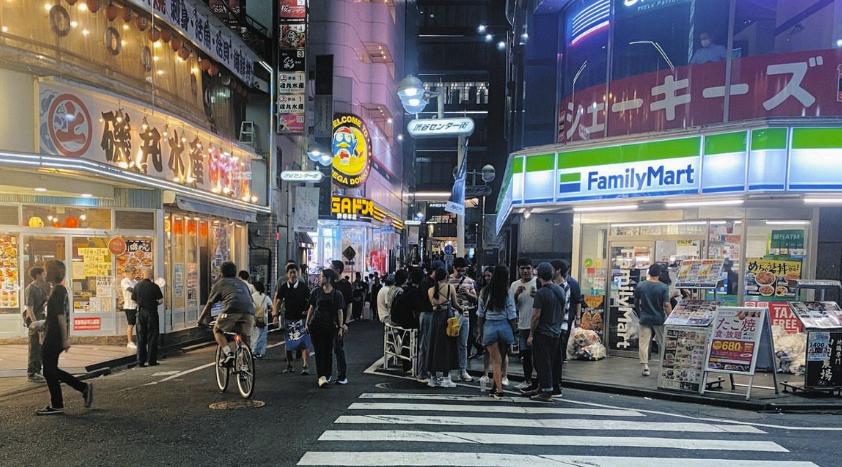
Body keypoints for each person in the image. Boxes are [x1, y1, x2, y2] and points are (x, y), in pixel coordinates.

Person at [37, 260, 93, 415]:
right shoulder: (59, 290)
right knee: (50, 369)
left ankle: (59, 403)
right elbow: (58, 316)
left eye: (45, 270)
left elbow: (61, 316)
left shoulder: (57, 291)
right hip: (54, 335)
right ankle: (81, 389)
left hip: (54, 337)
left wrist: (65, 338)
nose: (43, 273)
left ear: (50, 273)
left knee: (48, 369)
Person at [198, 261, 256, 366]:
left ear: (221, 273)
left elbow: (209, 304)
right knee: (245, 336)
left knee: (217, 329)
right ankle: (245, 363)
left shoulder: (220, 283)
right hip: (249, 313)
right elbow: (250, 301)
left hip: (231, 312)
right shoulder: (242, 283)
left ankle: (228, 353)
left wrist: (201, 320)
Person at [525, 262, 566, 402]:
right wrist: (558, 326)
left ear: (539, 276)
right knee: (550, 361)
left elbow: (536, 315)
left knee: (542, 362)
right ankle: (543, 387)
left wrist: (531, 334)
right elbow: (563, 312)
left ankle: (546, 391)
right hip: (555, 331)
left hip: (543, 332)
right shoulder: (560, 290)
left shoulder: (541, 293)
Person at [476, 264, 517, 399]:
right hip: (505, 326)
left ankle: (499, 390)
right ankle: (495, 387)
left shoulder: (484, 292)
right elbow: (512, 314)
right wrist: (514, 330)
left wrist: (480, 331)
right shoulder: (507, 292)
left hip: (489, 326)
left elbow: (480, 314)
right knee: (500, 359)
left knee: (495, 361)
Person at [305, 268, 345, 388]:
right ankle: (321, 376)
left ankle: (327, 375)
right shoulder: (316, 292)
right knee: (319, 351)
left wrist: (341, 327)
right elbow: (311, 308)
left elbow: (339, 312)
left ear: (328, 279)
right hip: (316, 325)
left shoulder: (337, 294)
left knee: (328, 351)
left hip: (330, 326)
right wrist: (307, 323)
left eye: (322, 276)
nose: (319, 278)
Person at [426, 267, 461, 388]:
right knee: (447, 347)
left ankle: (433, 377)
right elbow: (456, 305)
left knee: (433, 346)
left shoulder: (430, 290)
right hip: (447, 318)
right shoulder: (450, 288)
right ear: (446, 277)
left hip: (435, 319)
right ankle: (446, 378)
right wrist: (462, 309)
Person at [634, 264, 672, 376]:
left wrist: (640, 313)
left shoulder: (640, 285)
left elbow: (636, 302)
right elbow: (667, 304)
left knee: (644, 342)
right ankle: (662, 365)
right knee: (662, 342)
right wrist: (671, 317)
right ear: (659, 273)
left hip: (645, 318)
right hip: (659, 318)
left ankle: (645, 366)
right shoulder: (663, 287)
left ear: (649, 272)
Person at [274, 263, 312, 374]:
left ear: (297, 273)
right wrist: (275, 315)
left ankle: (305, 366)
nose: (292, 274)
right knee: (288, 342)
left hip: (302, 318)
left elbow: (310, 301)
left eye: (294, 272)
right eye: (290, 272)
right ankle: (289, 365)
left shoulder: (303, 286)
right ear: (287, 274)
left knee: (305, 342)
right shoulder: (284, 287)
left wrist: (308, 311)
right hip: (289, 318)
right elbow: (278, 301)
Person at [551, 260, 579, 397]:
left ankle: (556, 386)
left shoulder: (564, 287)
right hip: (555, 326)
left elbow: (564, 309)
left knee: (556, 357)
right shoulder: (555, 285)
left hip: (559, 326)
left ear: (557, 270)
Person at [510, 257, 537, 391]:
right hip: (523, 324)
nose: (525, 271)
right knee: (525, 355)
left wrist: (537, 296)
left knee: (537, 355)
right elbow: (511, 306)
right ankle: (527, 380)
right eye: (522, 268)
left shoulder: (538, 282)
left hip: (537, 325)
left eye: (528, 268)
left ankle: (538, 382)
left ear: (533, 269)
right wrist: (516, 294)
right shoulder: (515, 285)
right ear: (518, 270)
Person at [449, 257, 477, 382]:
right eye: (459, 270)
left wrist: (467, 293)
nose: (461, 273)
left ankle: (463, 370)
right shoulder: (448, 280)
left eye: (463, 271)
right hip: (451, 316)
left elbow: (475, 299)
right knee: (449, 343)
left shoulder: (469, 281)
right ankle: (447, 371)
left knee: (463, 344)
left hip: (465, 316)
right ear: (454, 268)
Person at [416, 260, 444, 383]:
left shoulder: (433, 282)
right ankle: (422, 373)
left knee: (432, 344)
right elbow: (432, 300)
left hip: (433, 314)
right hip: (427, 313)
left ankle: (429, 373)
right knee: (425, 344)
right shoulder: (426, 283)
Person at [132, 267, 164, 367]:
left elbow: (133, 301)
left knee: (141, 337)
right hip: (152, 313)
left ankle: (140, 361)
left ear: (143, 275)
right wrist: (154, 303)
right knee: (152, 336)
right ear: (151, 275)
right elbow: (160, 300)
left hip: (141, 313)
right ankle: (151, 360)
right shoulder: (154, 286)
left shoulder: (137, 286)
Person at [24, 267, 49, 383]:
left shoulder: (40, 288)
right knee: (34, 348)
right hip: (35, 324)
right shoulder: (31, 289)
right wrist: (36, 326)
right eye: (43, 273)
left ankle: (38, 371)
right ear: (37, 275)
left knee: (40, 348)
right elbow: (29, 309)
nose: (44, 275)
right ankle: (32, 373)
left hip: (42, 320)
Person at [330, 260, 353, 385]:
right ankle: (326, 374)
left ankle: (342, 375)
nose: (330, 270)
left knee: (338, 348)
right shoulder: (329, 283)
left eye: (331, 268)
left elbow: (349, 304)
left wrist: (346, 322)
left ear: (337, 270)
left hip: (340, 321)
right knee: (327, 348)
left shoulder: (345, 285)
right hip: (328, 320)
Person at [250, 281, 271, 358]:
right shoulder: (265, 297)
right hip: (263, 319)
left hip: (253, 319)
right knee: (262, 336)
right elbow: (271, 307)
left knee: (254, 335)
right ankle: (260, 352)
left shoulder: (251, 297)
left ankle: (253, 351)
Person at [120, 267, 138, 349]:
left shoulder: (135, 282)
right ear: (127, 273)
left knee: (136, 323)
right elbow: (129, 289)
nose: (134, 275)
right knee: (131, 324)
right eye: (132, 273)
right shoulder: (124, 281)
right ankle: (129, 342)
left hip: (136, 306)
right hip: (129, 306)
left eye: (134, 273)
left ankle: (138, 340)